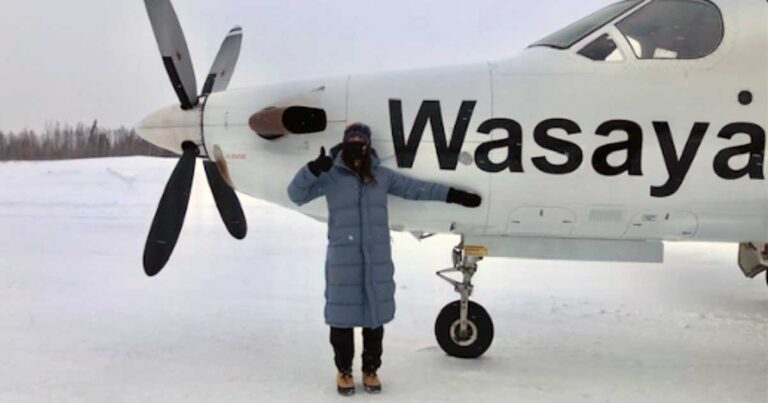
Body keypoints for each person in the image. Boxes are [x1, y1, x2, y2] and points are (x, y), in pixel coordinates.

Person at [286, 122, 481, 396]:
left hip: (376, 259)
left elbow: (417, 189)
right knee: (341, 320)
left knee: (373, 320)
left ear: (368, 145)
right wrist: (313, 169)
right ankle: (343, 371)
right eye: (351, 138)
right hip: (343, 260)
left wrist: (455, 195)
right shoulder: (330, 176)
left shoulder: (381, 176)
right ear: (344, 143)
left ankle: (371, 370)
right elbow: (295, 194)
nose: (356, 142)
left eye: (360, 139)